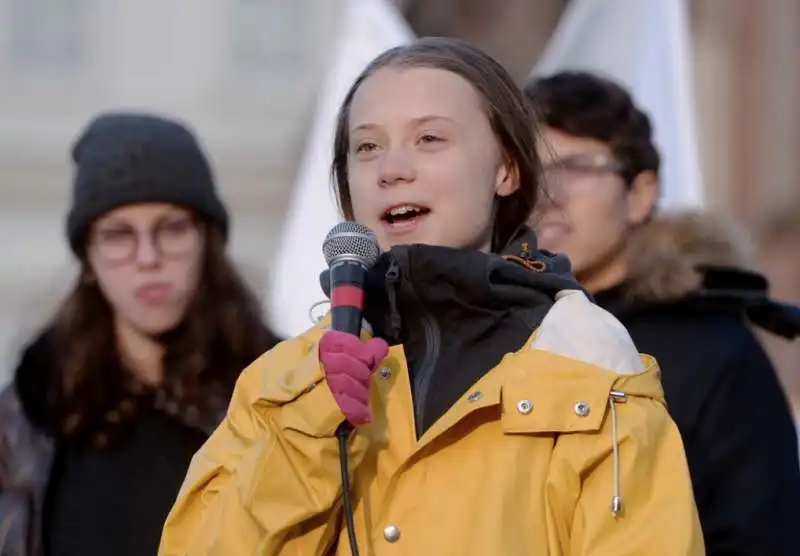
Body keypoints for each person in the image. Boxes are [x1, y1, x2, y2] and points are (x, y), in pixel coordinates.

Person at [159, 38, 703, 555]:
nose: (393, 170)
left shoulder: (593, 369)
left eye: (430, 139)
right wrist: (307, 434)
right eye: (367, 146)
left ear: (507, 168)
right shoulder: (282, 384)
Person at [524, 70, 800, 556]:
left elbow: (762, 533)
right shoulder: (494, 333)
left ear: (640, 194)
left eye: (578, 167)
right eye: (532, 170)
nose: (550, 195)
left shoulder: (713, 349)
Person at [0, 112, 280, 556]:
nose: (148, 257)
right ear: (88, 258)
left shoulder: (283, 398)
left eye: (171, 229)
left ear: (206, 241)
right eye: (118, 235)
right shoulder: (27, 420)